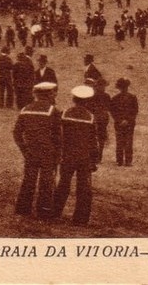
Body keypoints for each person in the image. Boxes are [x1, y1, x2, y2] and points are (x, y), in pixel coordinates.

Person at [13, 82, 61, 219]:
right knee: (46, 182)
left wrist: (24, 149)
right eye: (53, 93)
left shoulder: (25, 109)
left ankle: (23, 209)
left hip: (31, 151)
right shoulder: (53, 111)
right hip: (47, 152)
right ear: (49, 94)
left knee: (29, 180)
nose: (55, 95)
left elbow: (16, 133)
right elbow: (58, 136)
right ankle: (44, 212)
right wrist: (57, 154)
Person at [53, 85, 99, 226]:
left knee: (63, 184)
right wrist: (94, 160)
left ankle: (55, 213)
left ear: (74, 99)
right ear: (88, 101)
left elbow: (58, 135)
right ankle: (80, 219)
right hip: (84, 158)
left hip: (67, 155)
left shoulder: (65, 113)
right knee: (84, 187)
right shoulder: (90, 117)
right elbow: (93, 141)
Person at [109, 78, 139, 166]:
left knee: (121, 141)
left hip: (121, 123)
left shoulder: (115, 98)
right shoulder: (132, 97)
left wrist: (121, 120)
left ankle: (120, 161)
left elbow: (113, 112)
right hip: (127, 123)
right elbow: (135, 111)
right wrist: (126, 120)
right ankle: (126, 161)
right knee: (127, 141)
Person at [86, 78, 112, 163]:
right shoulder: (104, 96)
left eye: (103, 86)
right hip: (100, 118)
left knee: (98, 138)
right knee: (98, 138)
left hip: (100, 118)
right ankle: (97, 156)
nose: (103, 88)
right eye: (102, 86)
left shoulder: (94, 95)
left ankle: (97, 156)